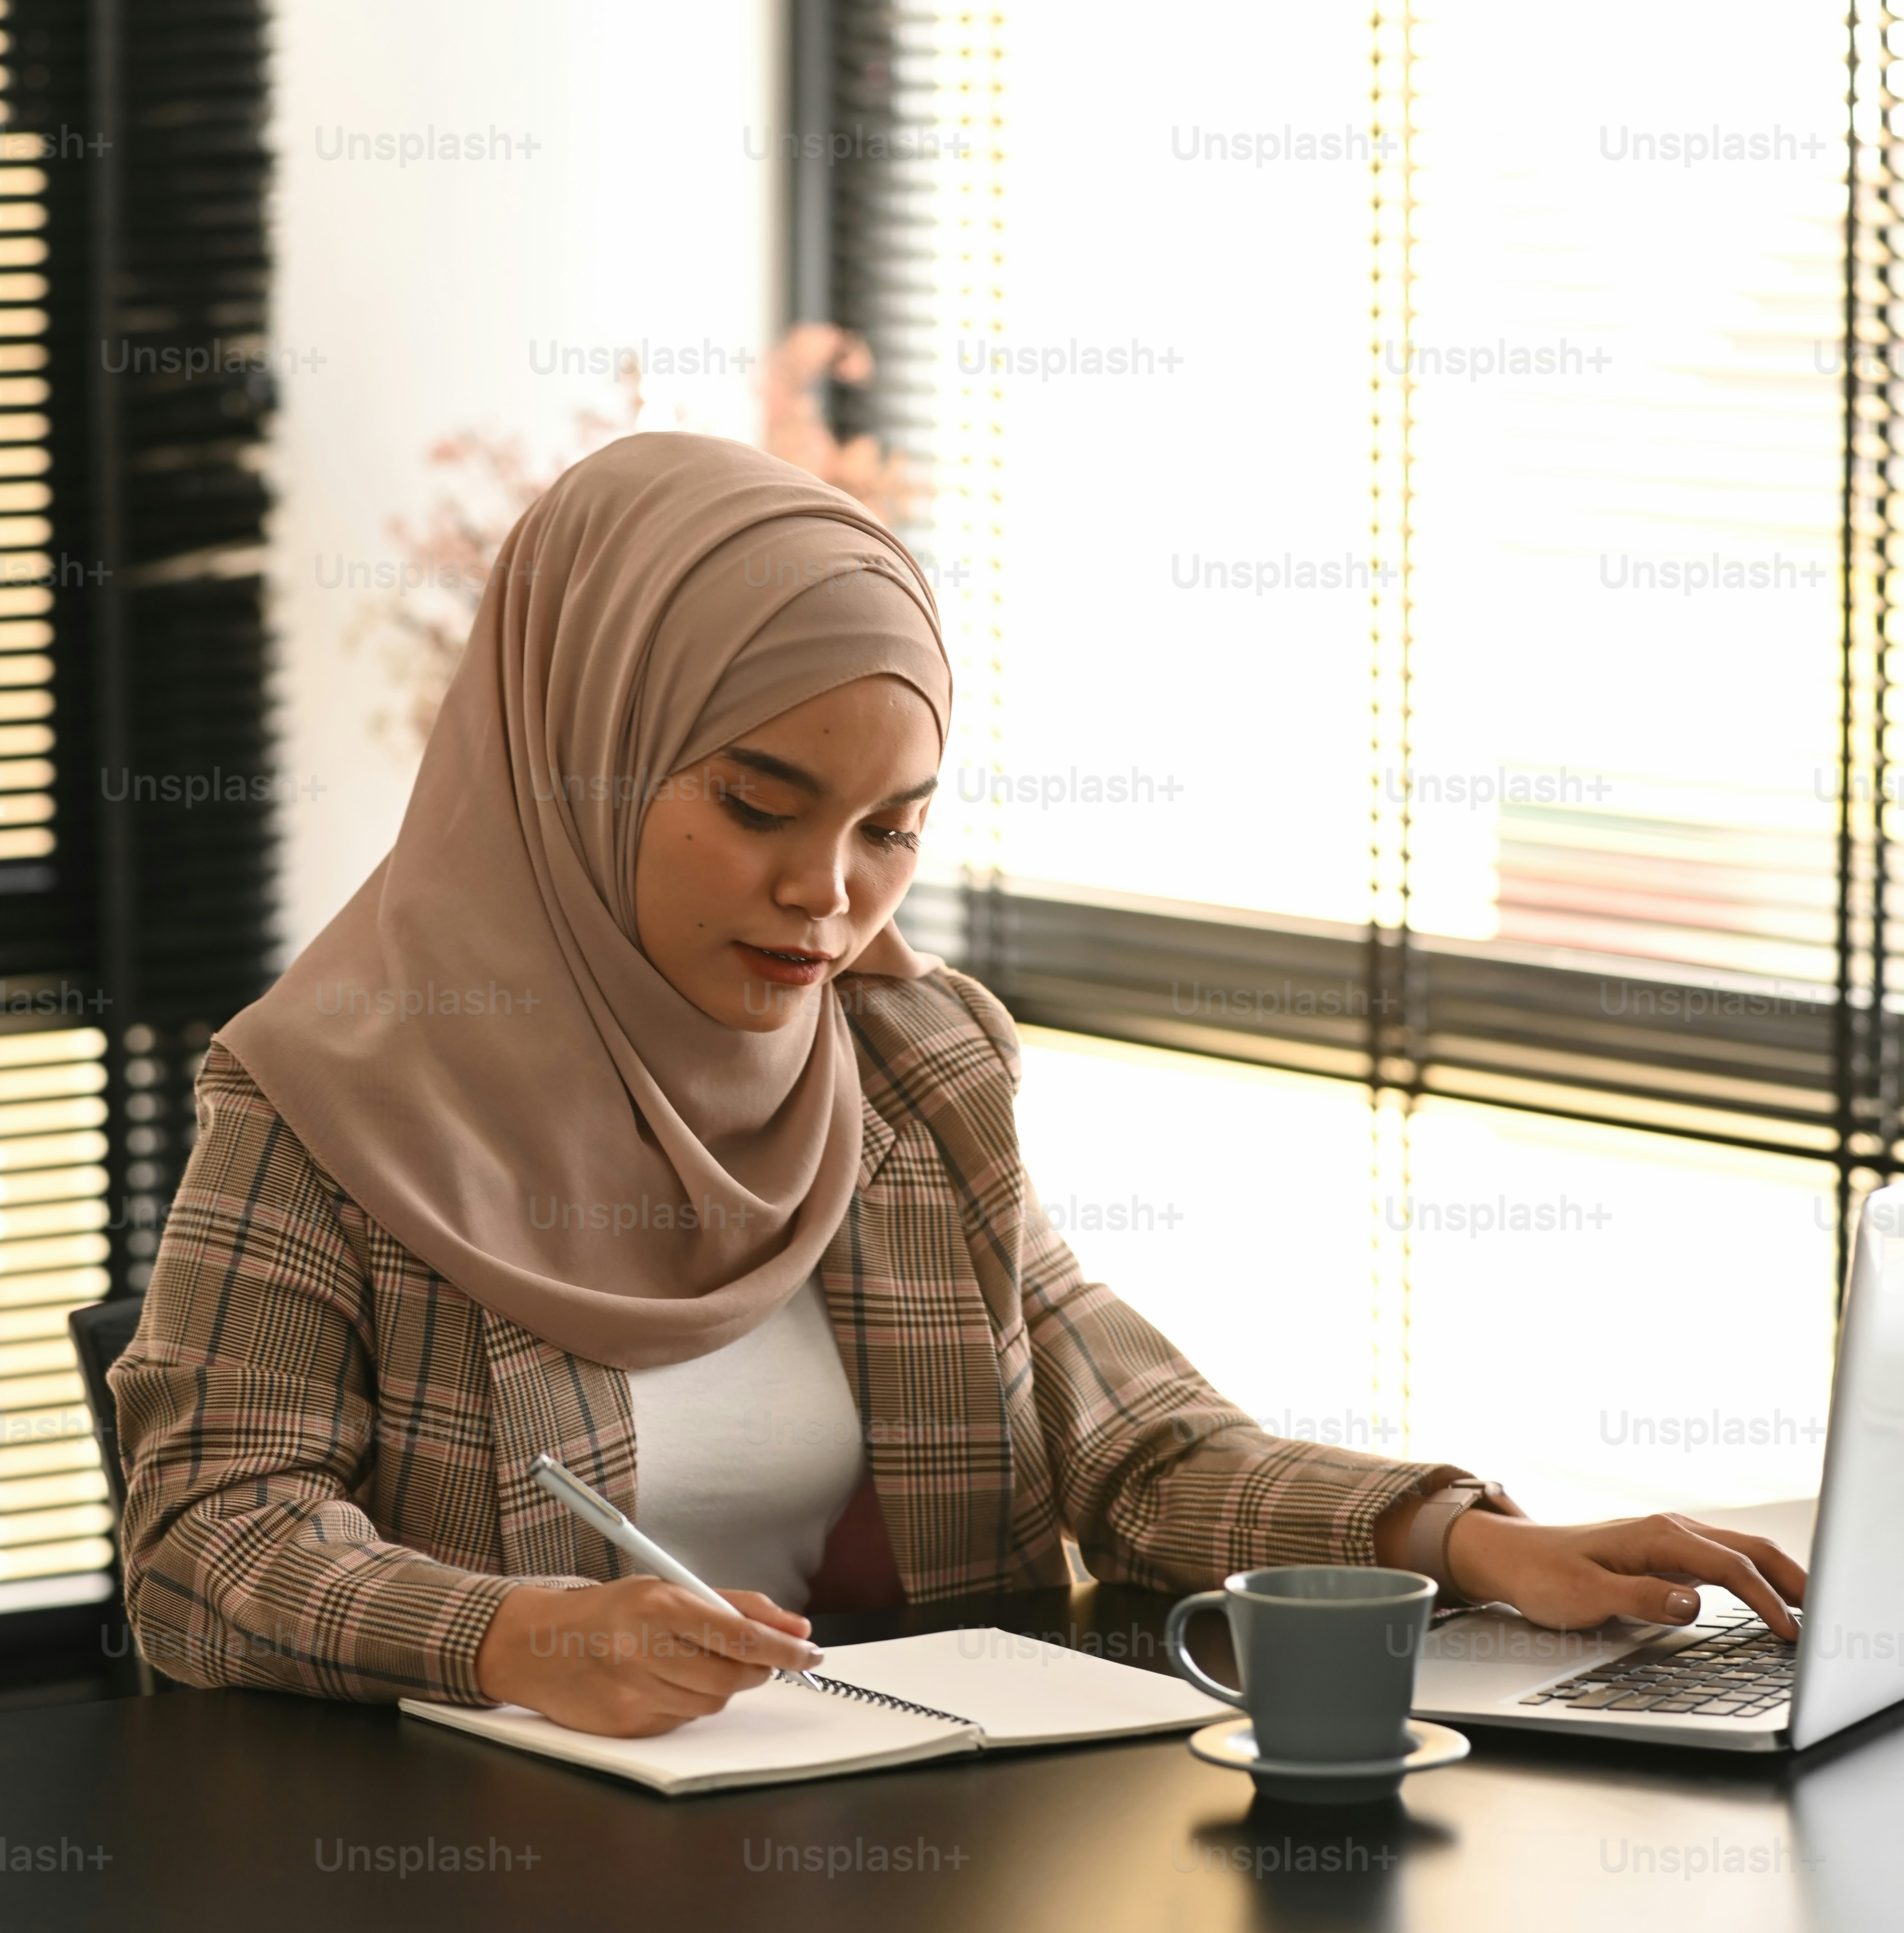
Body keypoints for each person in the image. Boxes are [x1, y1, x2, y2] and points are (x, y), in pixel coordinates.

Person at [111, 431, 1804, 1729]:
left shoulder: (915, 1068)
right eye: (760, 805)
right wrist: (496, 1633)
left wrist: (1461, 1539)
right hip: (499, 1923)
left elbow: (1127, 1445)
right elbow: (207, 1541)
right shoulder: (326, 1103)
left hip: (931, 1876)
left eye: (890, 830)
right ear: (576, 756)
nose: (829, 894)